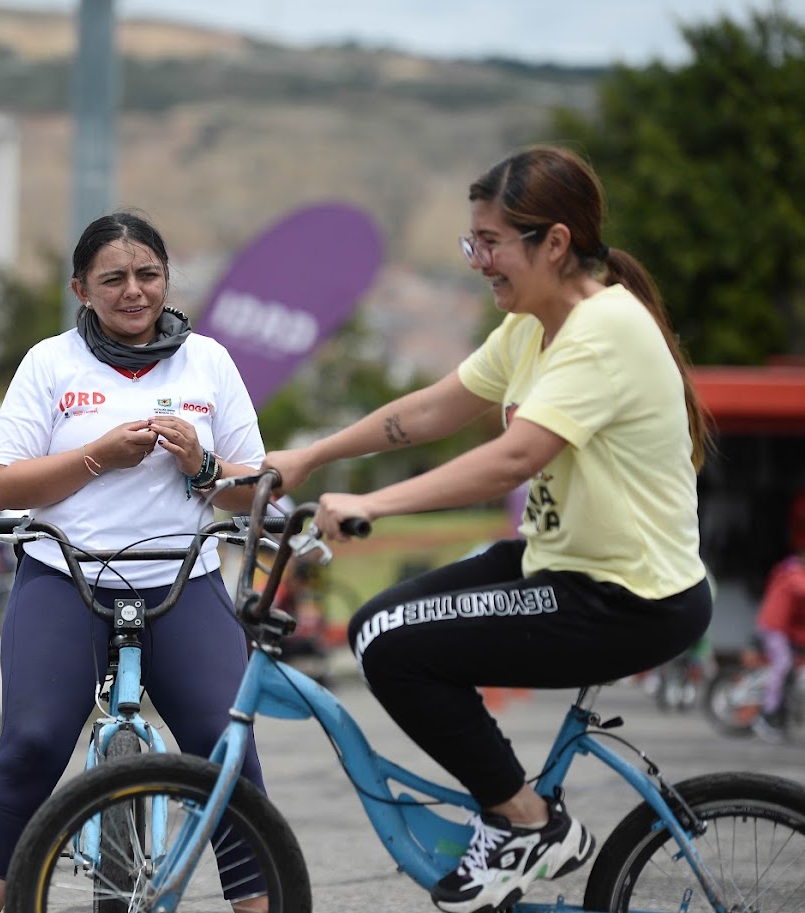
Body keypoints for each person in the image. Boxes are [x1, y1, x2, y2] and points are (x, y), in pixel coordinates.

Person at [264, 145, 713, 913]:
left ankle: (523, 820)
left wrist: (379, 504)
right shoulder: (532, 326)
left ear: (555, 243)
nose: (477, 261)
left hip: (625, 596)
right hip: (563, 565)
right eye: (471, 243)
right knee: (376, 627)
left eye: (490, 243)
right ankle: (516, 813)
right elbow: (433, 410)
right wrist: (313, 454)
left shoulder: (602, 329)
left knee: (397, 648)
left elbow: (513, 458)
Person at [0, 211, 271, 913]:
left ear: (165, 277)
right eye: (113, 278)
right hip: (65, 577)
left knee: (228, 750)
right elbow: (4, 483)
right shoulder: (50, 363)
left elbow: (252, 488)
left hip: (181, 578)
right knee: (32, 744)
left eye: (148, 274)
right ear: (80, 287)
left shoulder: (209, 362)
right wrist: (98, 455)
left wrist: (200, 462)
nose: (134, 291)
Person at [752, 548, 805, 742]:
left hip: (778, 628)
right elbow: (800, 589)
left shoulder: (787, 570)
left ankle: (780, 711)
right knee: (783, 664)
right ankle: (766, 714)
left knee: (788, 665)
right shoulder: (794, 576)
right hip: (774, 628)